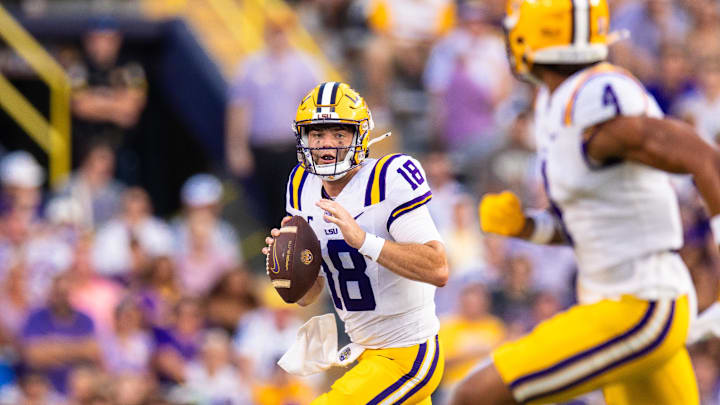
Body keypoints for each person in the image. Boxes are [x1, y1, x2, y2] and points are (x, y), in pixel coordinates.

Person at [449, 0, 720, 404]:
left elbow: (704, 158)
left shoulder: (593, 99)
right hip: (623, 298)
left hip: (639, 303)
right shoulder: (556, 102)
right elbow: (590, 228)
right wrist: (526, 227)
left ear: (537, 35)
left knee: (475, 396)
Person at [262, 82, 449, 403]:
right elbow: (310, 296)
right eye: (317, 134)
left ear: (359, 136)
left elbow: (438, 268)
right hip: (365, 355)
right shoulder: (301, 187)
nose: (326, 145)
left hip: (408, 354)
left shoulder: (388, 179)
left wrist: (364, 241)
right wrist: (288, 266)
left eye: (339, 134)